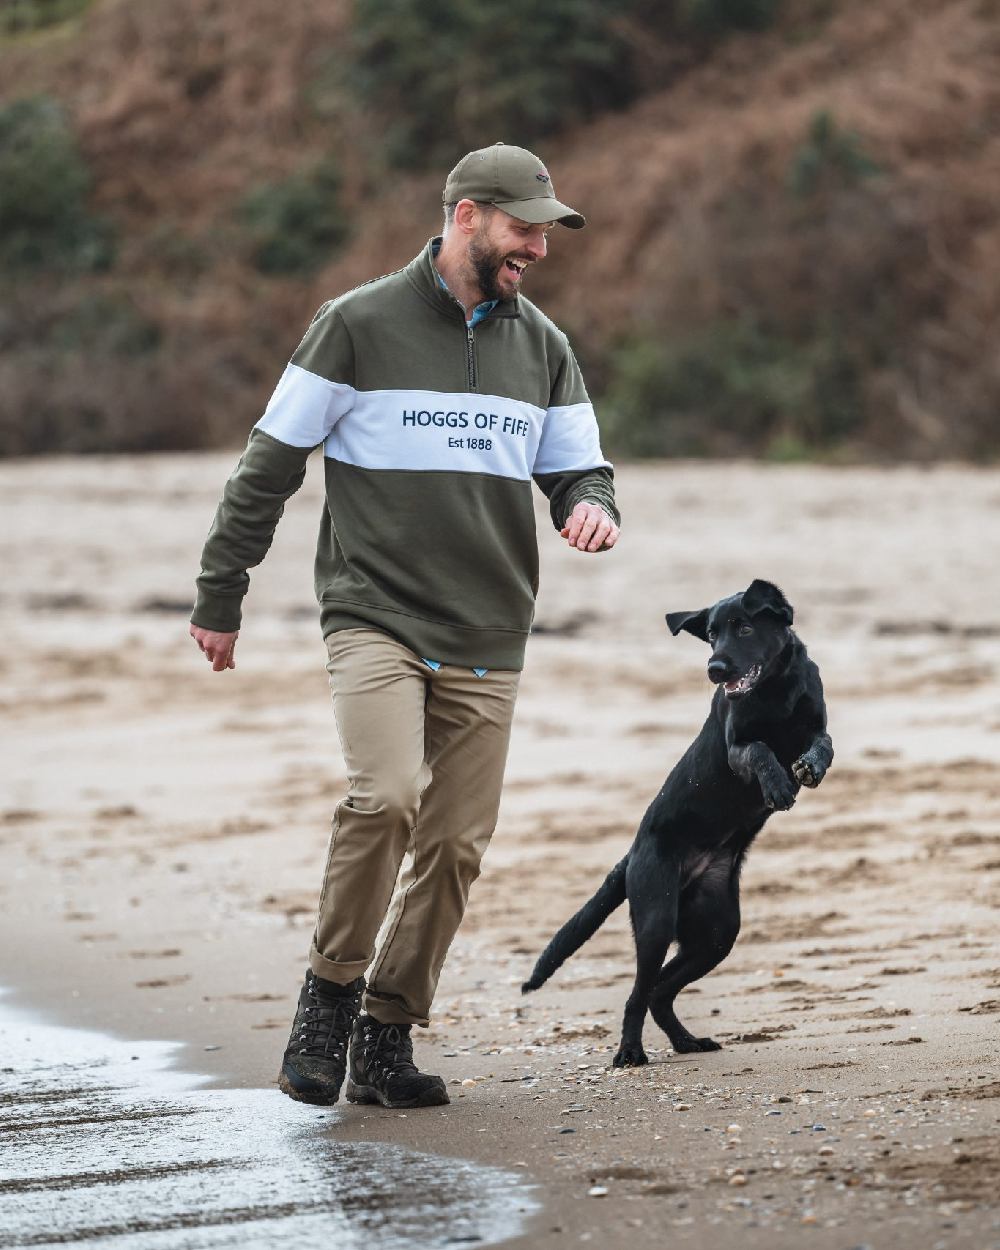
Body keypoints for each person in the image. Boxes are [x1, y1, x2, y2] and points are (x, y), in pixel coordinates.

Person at [189, 142, 621, 1110]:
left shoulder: (542, 347)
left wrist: (589, 504)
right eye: (523, 227)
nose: (538, 250)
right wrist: (223, 593)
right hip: (373, 612)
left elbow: (580, 467)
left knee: (457, 844)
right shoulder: (354, 326)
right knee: (385, 795)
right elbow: (268, 466)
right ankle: (328, 995)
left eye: (546, 230)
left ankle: (386, 1030)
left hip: (488, 627)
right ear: (464, 215)